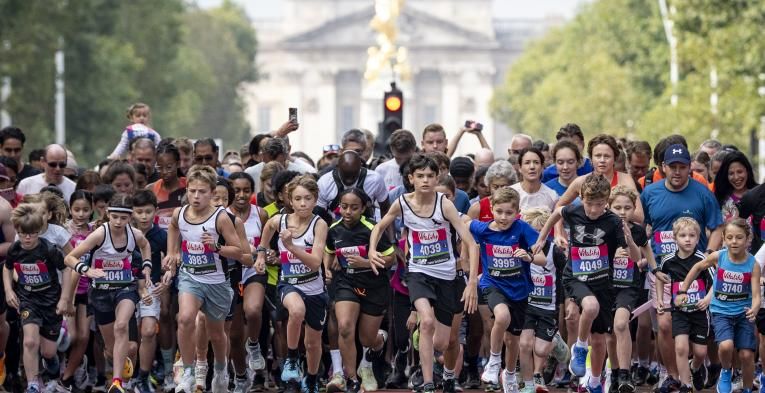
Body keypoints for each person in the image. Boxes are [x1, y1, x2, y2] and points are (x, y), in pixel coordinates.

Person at [368, 154, 479, 393]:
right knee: (426, 321)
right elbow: (379, 225)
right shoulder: (402, 203)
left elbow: (471, 243)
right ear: (411, 178)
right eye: (420, 176)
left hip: (447, 276)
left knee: (446, 342)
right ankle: (428, 383)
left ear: (437, 176)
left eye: (430, 176)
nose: (426, 180)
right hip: (418, 273)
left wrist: (471, 283)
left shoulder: (444, 204)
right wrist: (371, 250)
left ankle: (448, 376)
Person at [532, 174, 641, 393]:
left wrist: (627, 244)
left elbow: (635, 257)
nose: (593, 209)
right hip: (575, 276)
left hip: (602, 282)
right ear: (581, 198)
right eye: (589, 203)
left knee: (599, 339)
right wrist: (543, 238)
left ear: (607, 201)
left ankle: (594, 381)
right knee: (590, 307)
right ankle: (580, 347)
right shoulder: (574, 211)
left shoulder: (613, 221)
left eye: (599, 205)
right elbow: (556, 213)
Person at [163, 165, 248, 393]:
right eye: (192, 191)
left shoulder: (220, 218)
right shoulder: (179, 214)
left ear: (212, 192)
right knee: (185, 319)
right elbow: (173, 228)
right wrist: (172, 252)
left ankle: (220, 371)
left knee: (217, 334)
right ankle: (188, 372)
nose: (196, 196)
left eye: (201, 191)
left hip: (217, 282)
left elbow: (239, 251)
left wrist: (217, 246)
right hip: (191, 277)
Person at [63, 193, 153, 393]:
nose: (119, 222)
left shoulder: (135, 234)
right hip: (101, 292)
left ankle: (117, 381)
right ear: (108, 214)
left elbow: (145, 246)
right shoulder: (99, 235)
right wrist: (86, 270)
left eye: (124, 218)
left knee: (122, 326)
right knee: (111, 350)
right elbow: (69, 258)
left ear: (130, 218)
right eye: (115, 217)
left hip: (125, 288)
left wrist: (147, 266)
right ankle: (118, 365)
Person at [254, 175, 328, 393]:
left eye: (307, 198)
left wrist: (291, 246)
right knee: (296, 310)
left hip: (314, 287)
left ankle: (312, 379)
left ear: (315, 199)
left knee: (313, 343)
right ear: (290, 201)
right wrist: (260, 254)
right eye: (298, 198)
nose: (303, 203)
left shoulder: (319, 224)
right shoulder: (280, 220)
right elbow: (267, 228)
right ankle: (292, 359)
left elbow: (315, 263)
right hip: (289, 284)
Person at [471, 188, 545, 393]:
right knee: (501, 317)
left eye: (509, 213)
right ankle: (494, 362)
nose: (504, 217)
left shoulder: (521, 229)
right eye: (499, 211)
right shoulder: (481, 229)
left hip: (519, 291)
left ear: (518, 212)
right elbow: (461, 222)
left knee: (513, 340)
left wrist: (528, 257)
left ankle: (510, 373)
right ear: (491, 210)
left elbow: (543, 258)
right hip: (493, 284)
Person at [675, 218, 761, 393]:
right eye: (729, 237)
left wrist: (755, 309)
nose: (734, 242)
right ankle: (726, 371)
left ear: (747, 239)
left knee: (746, 355)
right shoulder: (718, 256)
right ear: (723, 238)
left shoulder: (753, 264)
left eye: (739, 237)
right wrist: (683, 290)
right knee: (726, 345)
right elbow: (697, 267)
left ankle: (747, 388)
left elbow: (757, 295)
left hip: (744, 313)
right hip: (721, 311)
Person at [324, 188, 395, 393]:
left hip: (374, 286)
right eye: (344, 207)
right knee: (345, 326)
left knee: (367, 339)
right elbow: (329, 252)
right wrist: (327, 269)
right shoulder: (334, 229)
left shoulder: (372, 228)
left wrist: (366, 262)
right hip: (346, 283)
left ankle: (380, 340)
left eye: (354, 208)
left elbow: (390, 258)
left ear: (363, 208)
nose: (348, 212)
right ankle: (352, 379)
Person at [3, 204, 69, 393]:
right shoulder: (15, 249)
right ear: (18, 231)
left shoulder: (48, 249)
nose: (27, 238)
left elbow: (65, 269)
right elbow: (7, 268)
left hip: (50, 301)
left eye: (32, 233)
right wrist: (9, 290)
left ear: (38, 231)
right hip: (28, 300)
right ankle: (32, 383)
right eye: (23, 234)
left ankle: (54, 370)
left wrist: (65, 298)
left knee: (48, 352)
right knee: (30, 342)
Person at [605, 186, 658, 393]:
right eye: (617, 207)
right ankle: (615, 372)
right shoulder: (603, 227)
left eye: (627, 207)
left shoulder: (636, 230)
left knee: (620, 324)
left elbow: (640, 257)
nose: (622, 211)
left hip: (628, 286)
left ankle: (626, 374)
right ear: (609, 207)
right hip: (606, 286)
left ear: (634, 209)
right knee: (609, 334)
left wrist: (628, 241)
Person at [655, 217, 711, 393]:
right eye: (683, 235)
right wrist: (659, 299)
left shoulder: (703, 259)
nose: (688, 239)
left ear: (698, 238)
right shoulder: (668, 260)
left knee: (700, 352)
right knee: (680, 347)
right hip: (679, 312)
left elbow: (715, 282)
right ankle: (686, 386)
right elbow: (659, 277)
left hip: (700, 312)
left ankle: (695, 368)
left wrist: (708, 299)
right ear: (675, 238)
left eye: (692, 235)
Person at [226, 173, 269, 380]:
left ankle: (253, 344)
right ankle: (241, 376)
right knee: (234, 336)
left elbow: (269, 245)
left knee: (252, 311)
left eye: (246, 190)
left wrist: (265, 254)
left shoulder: (260, 214)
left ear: (252, 192)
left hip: (253, 271)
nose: (241, 195)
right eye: (236, 190)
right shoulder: (221, 215)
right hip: (230, 274)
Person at [130, 190, 168, 393]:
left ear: (156, 212)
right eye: (138, 212)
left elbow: (172, 261)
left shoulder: (161, 235)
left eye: (147, 212)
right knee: (130, 338)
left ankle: (143, 377)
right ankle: (130, 375)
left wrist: (166, 279)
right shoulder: (122, 233)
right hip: (125, 288)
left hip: (150, 287)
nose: (143, 216)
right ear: (132, 213)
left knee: (149, 330)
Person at [60, 191, 95, 392]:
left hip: (88, 290)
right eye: (76, 209)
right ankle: (61, 365)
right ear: (70, 209)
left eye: (85, 210)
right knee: (71, 336)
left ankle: (66, 378)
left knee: (83, 337)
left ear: (91, 210)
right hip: (68, 290)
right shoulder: (63, 231)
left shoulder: (96, 231)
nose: (81, 214)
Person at [147, 143, 186, 230]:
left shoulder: (189, 186)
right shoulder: (151, 189)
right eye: (160, 168)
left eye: (169, 167)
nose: (164, 172)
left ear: (178, 164)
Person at [712, 151, 757, 223]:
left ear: (747, 171)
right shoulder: (719, 198)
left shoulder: (759, 194)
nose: (736, 177)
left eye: (739, 172)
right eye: (731, 173)